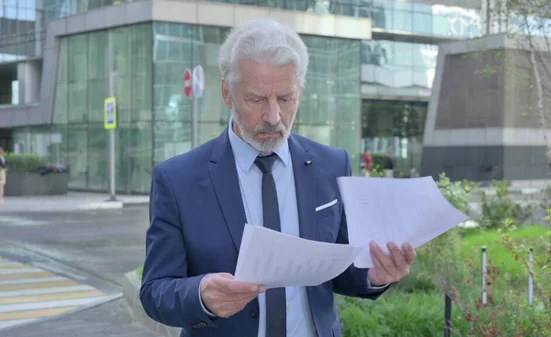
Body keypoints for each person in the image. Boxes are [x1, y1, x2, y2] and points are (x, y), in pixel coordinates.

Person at [140, 19, 416, 337]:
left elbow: (340, 269)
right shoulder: (177, 180)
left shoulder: (332, 164)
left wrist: (376, 274)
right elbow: (154, 292)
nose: (274, 117)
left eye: (286, 99)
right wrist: (201, 296)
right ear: (227, 95)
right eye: (257, 100)